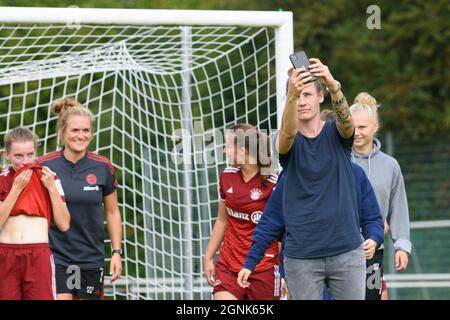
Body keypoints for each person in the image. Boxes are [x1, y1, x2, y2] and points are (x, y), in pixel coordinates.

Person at [276, 58, 365, 300]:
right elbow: (286, 133)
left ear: (320, 97)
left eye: (308, 94)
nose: (302, 101)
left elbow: (348, 125)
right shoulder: (287, 139)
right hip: (301, 256)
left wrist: (332, 84)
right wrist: (291, 96)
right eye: (297, 96)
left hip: (347, 250)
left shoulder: (337, 132)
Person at [237, 162, 384, 299]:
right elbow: (270, 222)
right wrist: (251, 262)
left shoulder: (355, 173)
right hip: (302, 263)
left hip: (347, 259)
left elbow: (372, 217)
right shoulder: (291, 176)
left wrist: (373, 237)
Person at [37, 98, 123, 300]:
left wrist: (117, 252)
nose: (81, 136)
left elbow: (112, 212)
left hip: (91, 258)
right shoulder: (43, 166)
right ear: (62, 132)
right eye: (75, 130)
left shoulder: (103, 167)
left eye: (86, 130)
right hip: (56, 257)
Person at [203, 124, 280, 300]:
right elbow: (222, 220)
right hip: (228, 266)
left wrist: (285, 271)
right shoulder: (227, 176)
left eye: (228, 146)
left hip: (263, 268)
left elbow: (282, 231)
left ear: (242, 151)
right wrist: (208, 257)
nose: (224, 151)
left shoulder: (274, 183)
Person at [350, 92, 411, 300]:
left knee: (374, 297)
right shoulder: (340, 161)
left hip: (373, 252)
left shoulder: (390, 165)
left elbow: (398, 207)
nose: (356, 133)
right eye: (352, 127)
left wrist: (401, 245)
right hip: (340, 249)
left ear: (375, 127)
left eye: (362, 127)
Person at [0, 127, 70, 300]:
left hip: (38, 254)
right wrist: (16, 188)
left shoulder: (48, 177)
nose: (25, 161)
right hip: (6, 254)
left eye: (30, 154)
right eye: (18, 156)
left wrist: (52, 189)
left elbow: (64, 224)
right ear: (6, 155)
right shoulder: (2, 178)